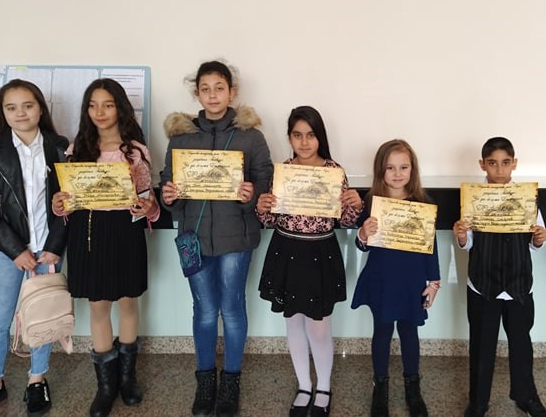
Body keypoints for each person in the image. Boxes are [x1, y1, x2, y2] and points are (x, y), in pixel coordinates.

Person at [160, 60, 273, 417]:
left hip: (236, 238)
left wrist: (252, 193)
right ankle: (206, 379)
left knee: (232, 309)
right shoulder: (181, 137)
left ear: (232, 92)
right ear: (197, 93)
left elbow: (265, 180)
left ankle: (231, 381)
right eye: (205, 89)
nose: (212, 95)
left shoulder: (250, 136)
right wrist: (169, 195)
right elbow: (168, 182)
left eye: (219, 88)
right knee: (205, 310)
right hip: (193, 237)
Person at [52, 78, 160, 417]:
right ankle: (105, 386)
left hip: (125, 231)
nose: (100, 112)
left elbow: (148, 200)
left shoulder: (136, 151)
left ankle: (127, 378)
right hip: (88, 232)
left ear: (120, 108)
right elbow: (68, 201)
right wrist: (59, 204)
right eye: (93, 105)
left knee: (128, 302)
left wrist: (148, 207)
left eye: (108, 105)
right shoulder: (76, 149)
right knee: (98, 306)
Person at [256, 105, 362, 417]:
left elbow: (345, 220)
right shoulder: (282, 172)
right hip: (286, 250)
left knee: (318, 327)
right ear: (289, 137)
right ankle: (304, 386)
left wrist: (355, 204)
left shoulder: (334, 171)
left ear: (320, 137)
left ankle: (324, 387)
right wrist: (262, 208)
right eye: (297, 135)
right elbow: (270, 220)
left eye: (311, 135)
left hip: (319, 253)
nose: (304, 142)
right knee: (293, 321)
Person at [0, 80, 68, 417]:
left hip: (47, 251)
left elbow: (70, 202)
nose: (20, 113)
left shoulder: (59, 146)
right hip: (6, 252)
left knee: (43, 317)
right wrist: (15, 250)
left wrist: (54, 246)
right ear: (3, 112)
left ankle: (36, 380)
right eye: (11, 108)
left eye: (27, 105)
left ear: (40, 108)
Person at [452, 137, 546, 417]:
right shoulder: (473, 199)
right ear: (482, 164)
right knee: (482, 347)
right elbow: (468, 243)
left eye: (505, 163)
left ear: (514, 164)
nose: (499, 169)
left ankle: (526, 396)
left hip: (519, 284)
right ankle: (478, 402)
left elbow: (536, 242)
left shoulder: (527, 198)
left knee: (521, 345)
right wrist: (462, 236)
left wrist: (539, 239)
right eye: (492, 163)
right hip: (482, 284)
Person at [351, 139, 440, 417]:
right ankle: (380, 388)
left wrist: (434, 282)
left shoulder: (423, 204)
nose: (398, 173)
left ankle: (413, 387)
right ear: (381, 170)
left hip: (411, 281)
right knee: (382, 331)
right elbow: (361, 245)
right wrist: (363, 233)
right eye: (390, 168)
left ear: (413, 169)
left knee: (409, 332)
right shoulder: (371, 203)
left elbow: (431, 247)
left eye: (404, 167)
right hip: (382, 280)